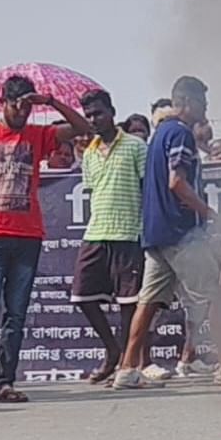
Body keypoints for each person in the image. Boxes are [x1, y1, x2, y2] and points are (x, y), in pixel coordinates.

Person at [0, 75, 94, 407]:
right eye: (18, 105)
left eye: (28, 106)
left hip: (28, 236)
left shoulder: (39, 135)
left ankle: (5, 383)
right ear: (3, 103)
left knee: (16, 314)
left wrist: (52, 102)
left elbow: (84, 128)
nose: (23, 112)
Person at [113, 76, 218, 389]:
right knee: (214, 291)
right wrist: (207, 212)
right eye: (202, 102)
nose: (206, 108)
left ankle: (128, 369)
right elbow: (177, 183)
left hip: (156, 235)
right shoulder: (182, 134)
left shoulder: (160, 133)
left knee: (147, 303)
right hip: (180, 233)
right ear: (186, 103)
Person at [69, 89, 147, 386]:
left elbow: (147, 189)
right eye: (88, 116)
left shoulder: (136, 146)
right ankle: (112, 350)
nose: (93, 120)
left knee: (129, 303)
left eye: (98, 113)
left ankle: (125, 365)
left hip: (129, 232)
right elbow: (92, 191)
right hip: (96, 232)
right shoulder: (89, 152)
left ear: (112, 112)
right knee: (82, 295)